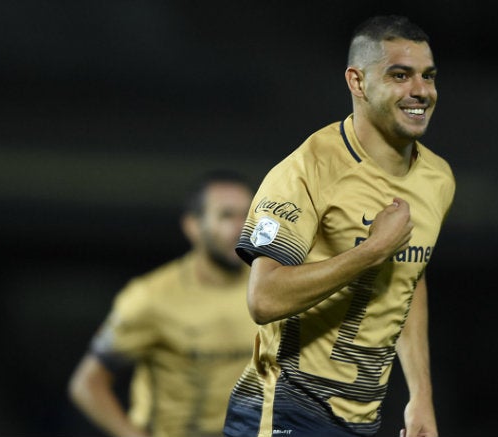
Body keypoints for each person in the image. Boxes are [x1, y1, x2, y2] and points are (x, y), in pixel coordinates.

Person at [223, 15, 454, 437]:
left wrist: (420, 396)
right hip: (284, 409)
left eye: (428, 76)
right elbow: (264, 298)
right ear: (357, 82)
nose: (420, 91)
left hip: (361, 420)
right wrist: (371, 252)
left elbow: (407, 278)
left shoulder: (437, 179)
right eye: (400, 76)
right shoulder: (306, 171)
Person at [69, 170, 257, 437]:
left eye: (247, 215)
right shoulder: (150, 297)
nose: (241, 227)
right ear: (193, 225)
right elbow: (87, 385)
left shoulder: (272, 286)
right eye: (226, 215)